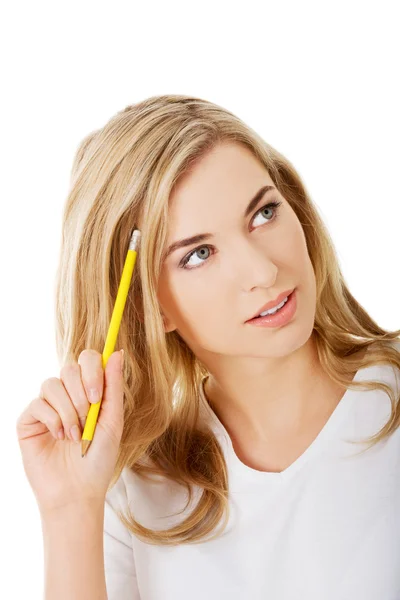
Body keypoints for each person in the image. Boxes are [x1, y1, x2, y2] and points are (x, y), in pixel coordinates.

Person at [16, 95, 400, 600]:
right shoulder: (129, 491)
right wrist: (69, 512)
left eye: (264, 213)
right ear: (150, 307)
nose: (263, 272)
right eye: (199, 254)